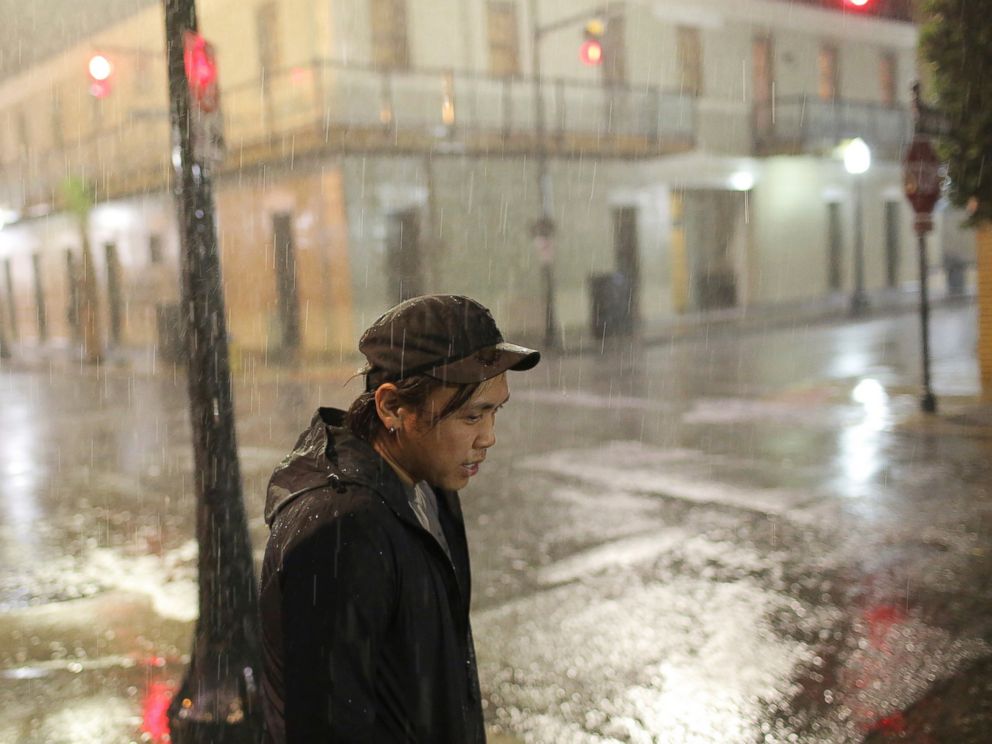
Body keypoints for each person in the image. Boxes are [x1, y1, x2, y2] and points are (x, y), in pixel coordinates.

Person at [259, 294, 540, 743]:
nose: (488, 438)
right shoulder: (340, 530)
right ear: (392, 408)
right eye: (472, 416)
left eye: (494, 411)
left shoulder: (428, 481)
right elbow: (326, 727)